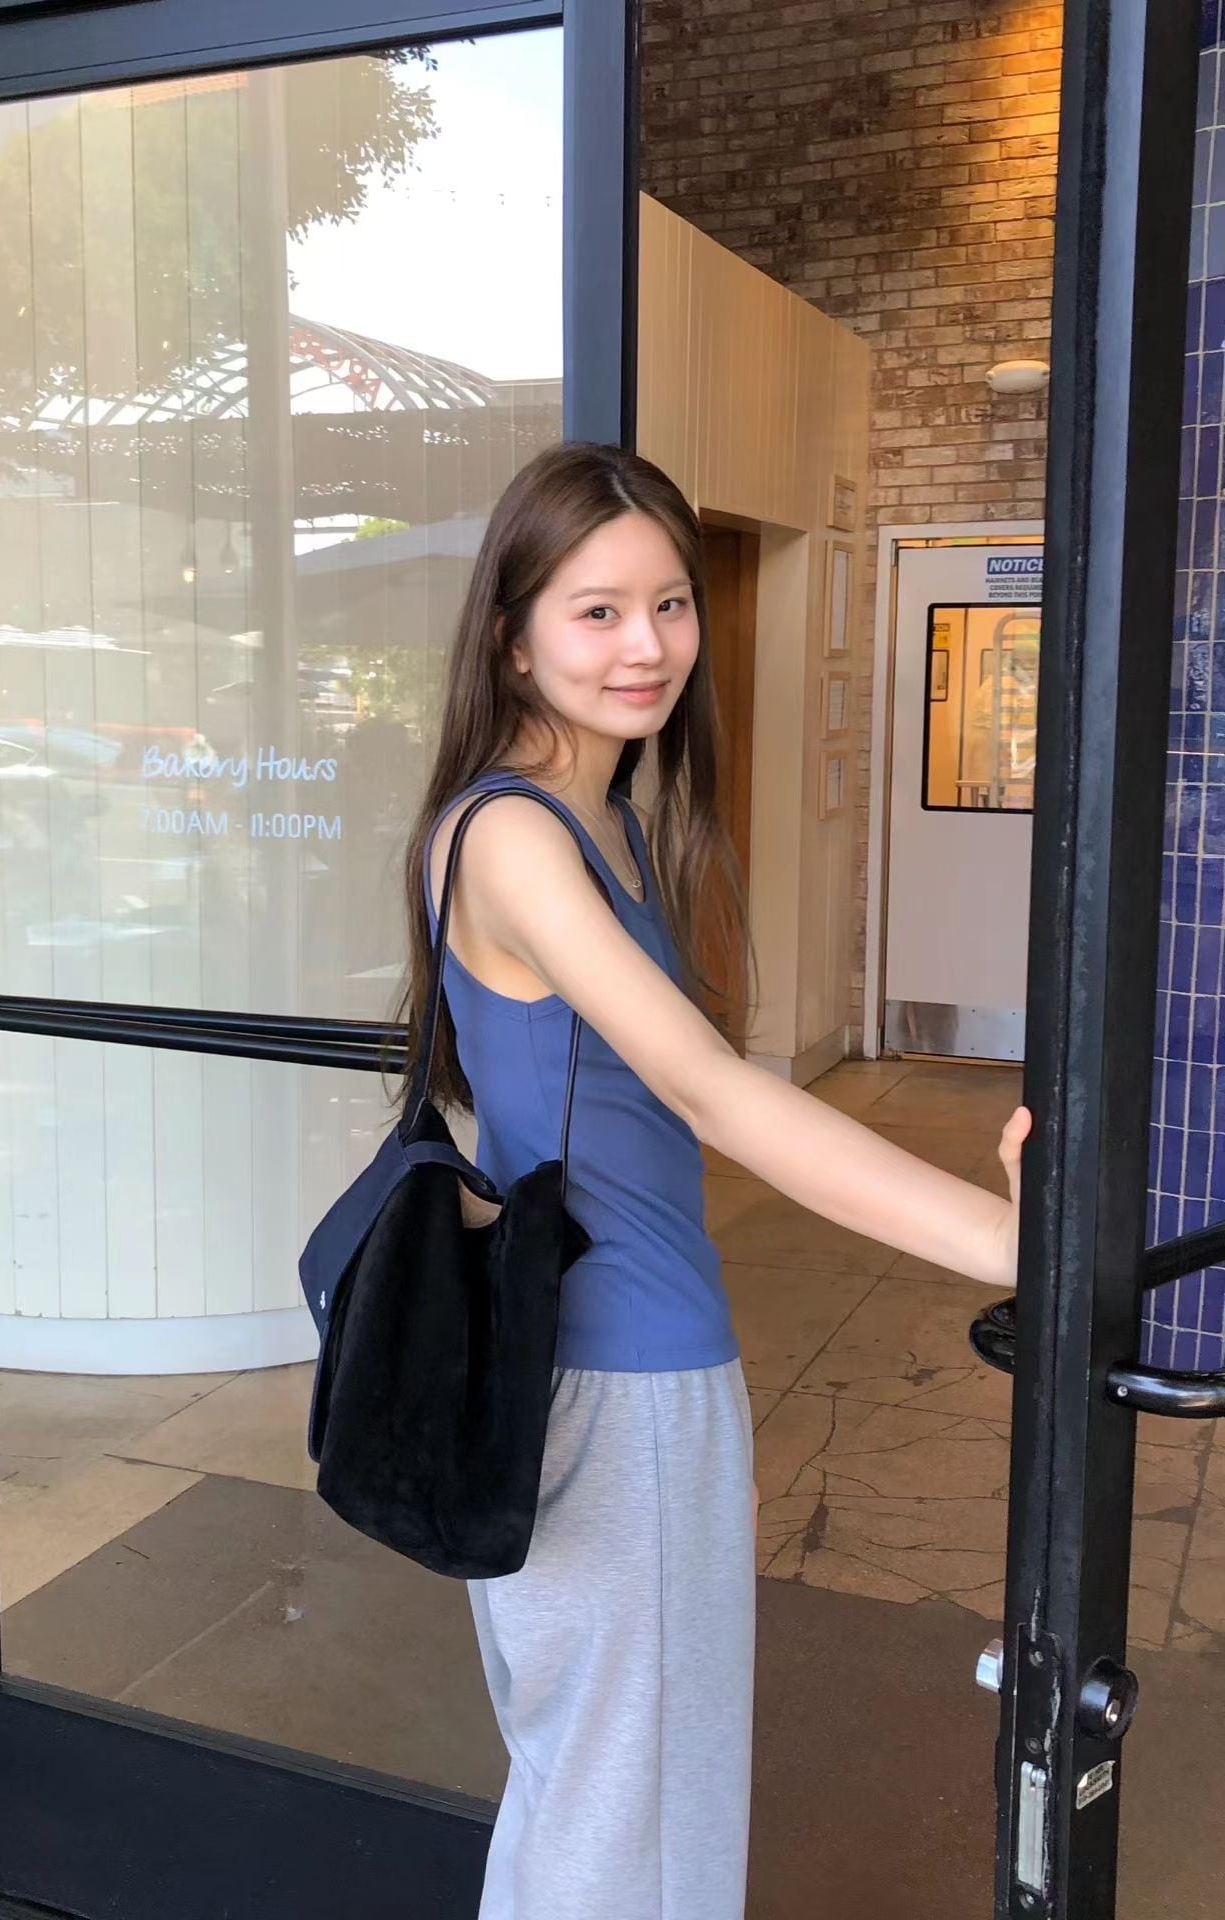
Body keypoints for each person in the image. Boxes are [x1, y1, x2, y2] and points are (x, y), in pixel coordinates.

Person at [394, 443, 1031, 1920]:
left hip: (611, 1368)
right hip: (615, 1379)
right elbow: (709, 1090)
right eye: (597, 610)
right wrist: (1017, 1246)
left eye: (670, 604)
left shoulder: (604, 819)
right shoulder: (515, 835)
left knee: (592, 1796)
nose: (648, 645)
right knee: (631, 1822)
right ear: (513, 636)